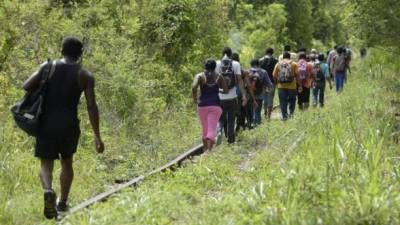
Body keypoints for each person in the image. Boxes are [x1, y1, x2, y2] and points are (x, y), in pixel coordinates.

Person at [22, 36, 104, 219]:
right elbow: (92, 106)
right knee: (67, 162)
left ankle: (48, 190)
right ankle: (62, 202)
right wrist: (97, 136)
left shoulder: (47, 67)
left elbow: (26, 85)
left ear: (61, 50)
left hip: (46, 124)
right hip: (68, 125)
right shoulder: (85, 75)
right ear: (80, 54)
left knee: (46, 163)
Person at [192, 59, 228, 151]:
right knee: (212, 129)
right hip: (215, 106)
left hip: (202, 106)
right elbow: (226, 90)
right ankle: (209, 150)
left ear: (205, 66)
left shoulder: (199, 76)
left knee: (205, 128)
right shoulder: (219, 76)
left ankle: (205, 149)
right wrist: (217, 90)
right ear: (215, 67)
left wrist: (195, 99)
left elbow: (194, 87)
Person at [216, 47, 247, 144]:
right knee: (231, 119)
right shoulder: (236, 64)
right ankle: (230, 140)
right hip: (232, 97)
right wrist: (244, 96)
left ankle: (219, 131)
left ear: (222, 54)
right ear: (231, 54)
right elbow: (240, 80)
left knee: (220, 119)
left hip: (220, 97)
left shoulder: (217, 64)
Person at [231, 53, 256, 132]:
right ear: (238, 59)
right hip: (239, 95)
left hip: (227, 95)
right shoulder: (242, 70)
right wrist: (253, 98)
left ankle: (229, 131)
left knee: (230, 113)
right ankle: (239, 128)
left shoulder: (225, 69)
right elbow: (248, 85)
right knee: (241, 113)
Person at [273, 51, 298, 120]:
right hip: (292, 86)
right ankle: (291, 114)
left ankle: (284, 117)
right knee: (292, 100)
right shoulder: (294, 64)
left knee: (283, 101)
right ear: (289, 57)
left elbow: (274, 75)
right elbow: (297, 75)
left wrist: (278, 82)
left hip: (281, 86)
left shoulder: (278, 64)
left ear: (283, 57)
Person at [248, 59, 272, 125]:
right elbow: (269, 84)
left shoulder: (248, 71)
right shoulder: (263, 72)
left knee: (251, 110)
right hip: (260, 94)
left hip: (249, 95)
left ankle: (250, 124)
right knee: (258, 111)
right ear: (259, 64)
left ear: (251, 64)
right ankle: (257, 125)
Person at [259, 47, 278, 120]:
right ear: (272, 52)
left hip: (263, 83)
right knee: (270, 98)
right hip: (272, 83)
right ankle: (269, 116)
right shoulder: (275, 60)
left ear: (265, 52)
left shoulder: (261, 60)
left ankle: (265, 113)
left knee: (264, 98)